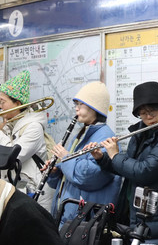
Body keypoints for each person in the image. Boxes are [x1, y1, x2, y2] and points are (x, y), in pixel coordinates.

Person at [95, 81, 158, 241]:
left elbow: (143, 171)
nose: (149, 117)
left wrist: (115, 155)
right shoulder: (142, 131)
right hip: (138, 212)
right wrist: (103, 158)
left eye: (153, 111)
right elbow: (128, 168)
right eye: (143, 113)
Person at [46, 81, 120, 225]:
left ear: (94, 108)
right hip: (69, 216)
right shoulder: (80, 135)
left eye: (81, 105)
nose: (76, 109)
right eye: (76, 104)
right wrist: (55, 172)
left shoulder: (105, 137)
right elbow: (68, 178)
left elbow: (89, 177)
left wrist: (65, 157)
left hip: (85, 221)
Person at [0, 70, 48, 193]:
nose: (0, 106)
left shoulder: (34, 127)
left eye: (3, 102)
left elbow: (13, 157)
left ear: (18, 104)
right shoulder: (9, 124)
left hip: (34, 191)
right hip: (13, 187)